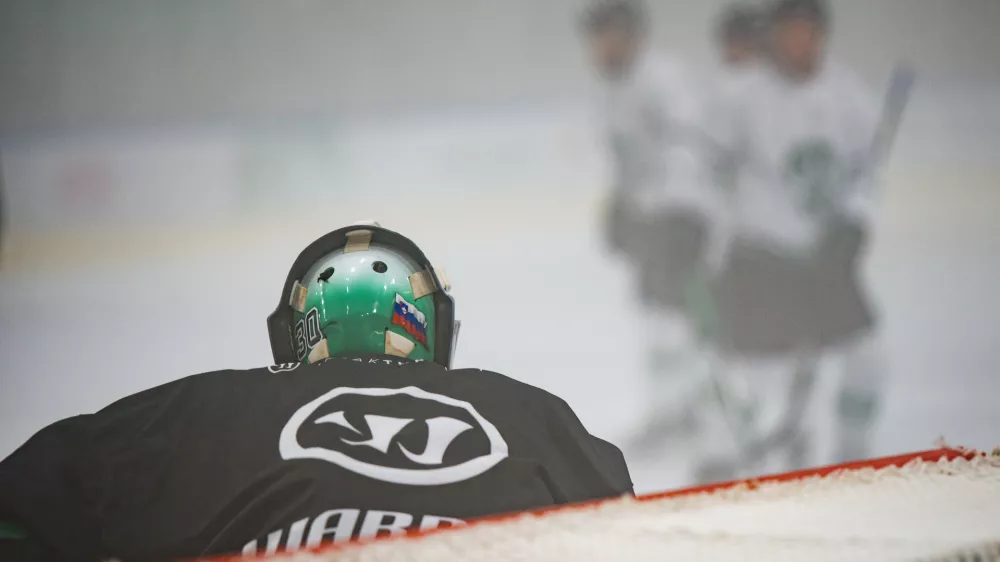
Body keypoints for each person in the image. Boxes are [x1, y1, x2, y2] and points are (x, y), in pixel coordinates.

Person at [0, 222, 632, 562]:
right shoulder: (533, 413)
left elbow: (22, 508)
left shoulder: (207, 410)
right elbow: (640, 539)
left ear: (295, 334)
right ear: (429, 326)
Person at [705, 0, 887, 476]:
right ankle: (777, 463)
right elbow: (708, 172)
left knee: (867, 356)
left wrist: (854, 224)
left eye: (806, 32)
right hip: (762, 256)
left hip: (823, 256)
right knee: (765, 376)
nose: (797, 43)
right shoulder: (742, 96)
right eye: (788, 32)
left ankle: (855, 457)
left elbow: (866, 173)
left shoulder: (848, 95)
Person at [581, 0, 725, 456]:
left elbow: (690, 144)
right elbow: (630, 161)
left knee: (679, 319)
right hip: (654, 220)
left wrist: (674, 213)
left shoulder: (662, 80)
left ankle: (692, 415)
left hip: (682, 217)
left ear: (635, 36)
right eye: (597, 35)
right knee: (659, 318)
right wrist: (620, 205)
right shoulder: (611, 89)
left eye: (613, 33)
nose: (603, 45)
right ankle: (677, 412)